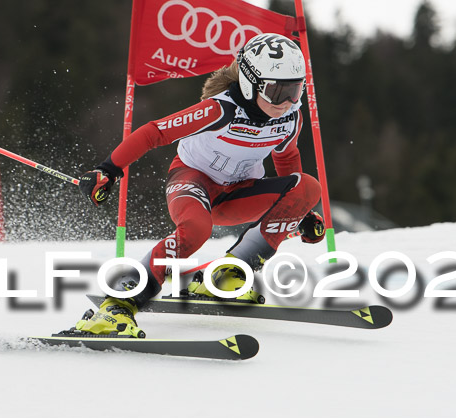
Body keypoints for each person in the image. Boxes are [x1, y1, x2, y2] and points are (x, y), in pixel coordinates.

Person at [66, 33, 325, 338]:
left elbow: (288, 156)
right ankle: (118, 303)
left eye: (295, 91)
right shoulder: (221, 110)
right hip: (193, 182)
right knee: (196, 229)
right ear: (249, 82)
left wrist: (300, 212)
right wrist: (107, 169)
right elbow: (154, 133)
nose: (287, 103)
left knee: (309, 187)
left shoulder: (290, 118)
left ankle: (227, 273)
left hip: (237, 194)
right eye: (276, 92)